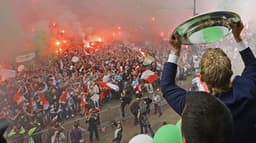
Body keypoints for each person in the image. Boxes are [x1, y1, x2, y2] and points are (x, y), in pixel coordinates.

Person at [161, 20, 256, 143]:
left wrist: (175, 51)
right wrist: (238, 37)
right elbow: (252, 66)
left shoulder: (193, 107)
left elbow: (167, 86)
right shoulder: (248, 89)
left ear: (202, 79)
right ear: (231, 73)